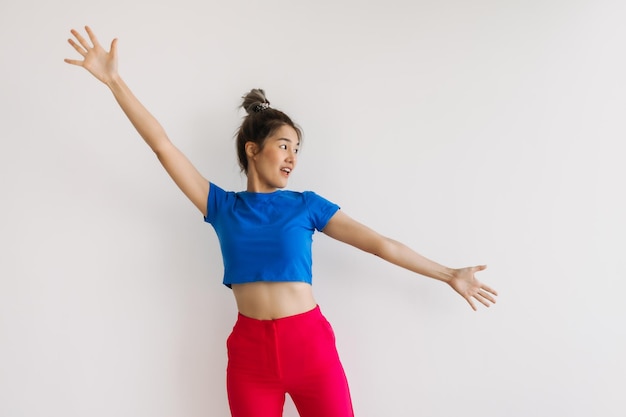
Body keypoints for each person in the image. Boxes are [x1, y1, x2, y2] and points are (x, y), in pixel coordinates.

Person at [65, 26, 498, 417]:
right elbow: (162, 145)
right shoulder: (221, 206)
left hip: (311, 351)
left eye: (296, 149)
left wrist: (449, 274)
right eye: (283, 146)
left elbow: (379, 244)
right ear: (253, 150)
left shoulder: (306, 206)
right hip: (250, 358)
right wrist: (115, 82)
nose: (292, 157)